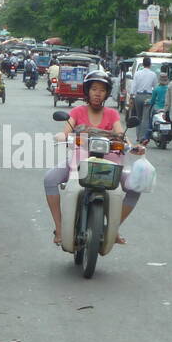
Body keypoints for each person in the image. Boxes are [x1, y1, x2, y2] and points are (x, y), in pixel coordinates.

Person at [43, 70, 146, 246]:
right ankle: (59, 228)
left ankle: (112, 230)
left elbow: (120, 134)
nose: (97, 93)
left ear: (107, 94)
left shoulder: (112, 114)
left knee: (135, 188)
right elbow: (65, 132)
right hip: (79, 163)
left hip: (108, 165)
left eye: (102, 90)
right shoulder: (76, 111)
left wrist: (132, 146)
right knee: (49, 179)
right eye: (94, 89)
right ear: (87, 91)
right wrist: (62, 136)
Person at [131, 56, 159, 141]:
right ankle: (143, 137)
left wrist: (132, 96)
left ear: (143, 64)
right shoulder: (153, 74)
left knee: (138, 117)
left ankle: (138, 136)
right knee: (145, 118)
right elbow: (155, 87)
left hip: (138, 96)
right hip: (148, 97)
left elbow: (134, 86)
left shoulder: (137, 73)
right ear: (150, 64)